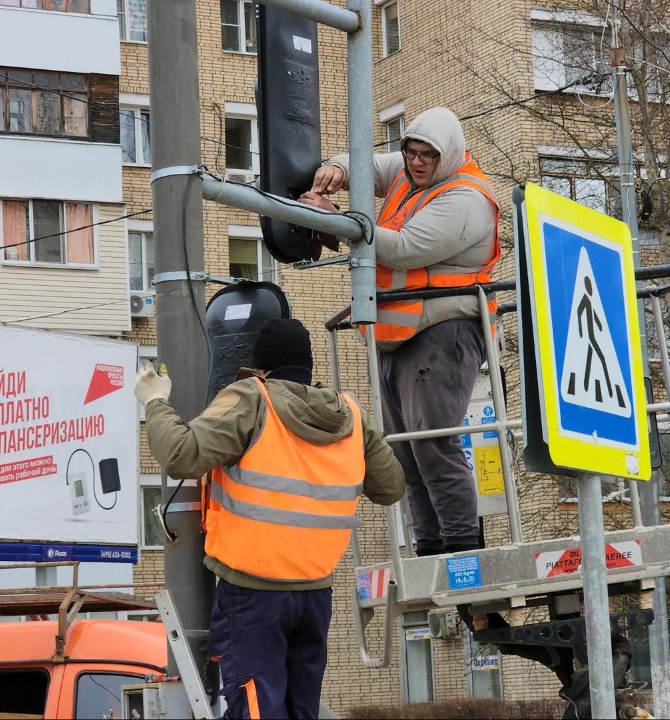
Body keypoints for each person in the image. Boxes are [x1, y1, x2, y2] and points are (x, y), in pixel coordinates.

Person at [133, 318, 404, 720]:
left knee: (256, 709)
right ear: (308, 368)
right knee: (300, 711)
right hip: (315, 593)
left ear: (261, 370)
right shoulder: (348, 415)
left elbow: (182, 456)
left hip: (253, 594)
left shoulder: (252, 399)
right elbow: (391, 487)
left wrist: (155, 401)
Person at [299, 106, 501, 557]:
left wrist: (336, 220)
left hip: (444, 334)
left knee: (432, 445)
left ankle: (461, 549)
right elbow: (367, 164)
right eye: (410, 152)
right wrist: (336, 167)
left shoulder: (465, 198)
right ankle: (430, 547)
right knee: (406, 453)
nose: (416, 163)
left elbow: (406, 248)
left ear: (446, 154)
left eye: (426, 155)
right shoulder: (409, 175)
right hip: (401, 336)